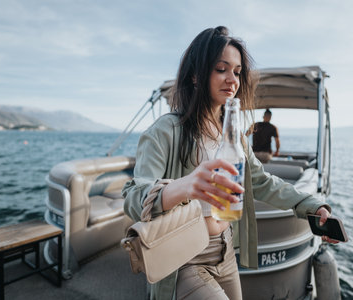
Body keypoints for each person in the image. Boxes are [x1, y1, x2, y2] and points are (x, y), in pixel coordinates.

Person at [122, 26, 336, 300]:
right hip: (183, 257)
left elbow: (261, 181)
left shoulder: (233, 135)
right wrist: (184, 186)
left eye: (236, 72)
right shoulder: (165, 130)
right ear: (196, 75)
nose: (232, 80)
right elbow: (132, 196)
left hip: (225, 251)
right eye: (221, 69)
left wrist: (312, 205)